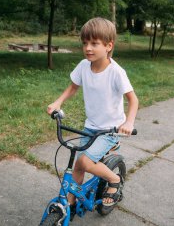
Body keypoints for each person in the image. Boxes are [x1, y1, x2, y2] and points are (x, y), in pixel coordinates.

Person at [47, 17, 138, 211]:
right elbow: (73, 87)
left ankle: (114, 179)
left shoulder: (116, 72)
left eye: (94, 43)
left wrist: (129, 122)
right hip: (91, 127)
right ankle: (70, 203)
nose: (88, 48)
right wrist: (58, 102)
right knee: (78, 166)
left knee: (85, 162)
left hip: (110, 130)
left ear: (108, 46)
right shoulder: (83, 66)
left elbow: (133, 99)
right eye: (85, 43)